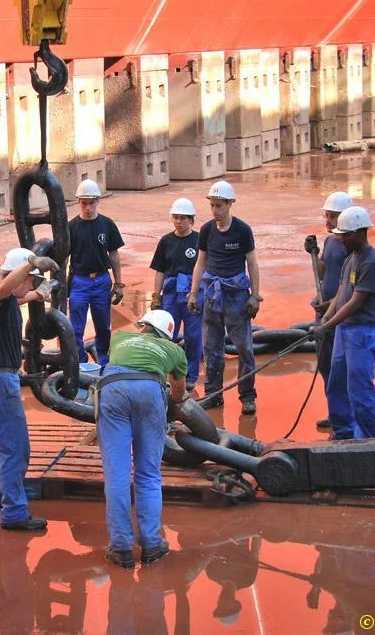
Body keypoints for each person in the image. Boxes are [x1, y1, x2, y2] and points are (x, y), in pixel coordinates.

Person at [0, 247, 59, 530]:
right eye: (30, 280)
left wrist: (43, 291)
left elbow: (21, 296)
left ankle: (0, 494)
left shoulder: (8, 301)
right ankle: (14, 512)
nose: (30, 286)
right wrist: (32, 263)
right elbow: (7, 287)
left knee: (2, 442)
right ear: (19, 275)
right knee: (16, 448)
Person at [96, 309, 188, 568]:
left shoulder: (119, 338)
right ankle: (151, 543)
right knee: (148, 473)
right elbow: (179, 393)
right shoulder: (174, 352)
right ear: (167, 336)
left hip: (113, 390)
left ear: (143, 326)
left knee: (117, 474)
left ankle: (121, 547)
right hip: (149, 392)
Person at [310, 206, 375, 440]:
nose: (340, 239)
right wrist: (324, 318)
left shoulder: (371, 263)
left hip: (360, 333)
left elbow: (355, 302)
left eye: (346, 235)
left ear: (361, 233)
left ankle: (364, 438)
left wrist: (327, 325)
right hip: (344, 331)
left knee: (359, 388)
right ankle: (342, 430)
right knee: (336, 383)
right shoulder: (351, 259)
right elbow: (342, 292)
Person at [187, 180, 262, 414]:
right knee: (211, 347)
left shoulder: (242, 230)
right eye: (212, 205)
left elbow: (252, 263)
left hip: (236, 296)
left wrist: (255, 296)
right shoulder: (207, 230)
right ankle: (213, 394)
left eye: (219, 205)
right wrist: (193, 293)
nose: (215, 210)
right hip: (212, 295)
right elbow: (200, 262)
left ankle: (247, 396)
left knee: (244, 348)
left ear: (230, 204)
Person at [305, 192, 354, 431]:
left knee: (340, 368)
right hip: (323, 312)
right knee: (325, 366)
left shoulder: (350, 246)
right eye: (326, 215)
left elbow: (350, 286)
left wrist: (332, 304)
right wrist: (313, 255)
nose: (327, 220)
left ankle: (346, 417)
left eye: (332, 216)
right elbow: (323, 272)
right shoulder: (331, 242)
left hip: (339, 314)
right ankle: (335, 414)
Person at [68, 179, 125, 368]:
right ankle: (80, 362)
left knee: (103, 326)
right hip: (80, 281)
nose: (88, 207)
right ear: (78, 201)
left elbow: (114, 254)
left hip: (101, 280)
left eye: (91, 203)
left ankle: (103, 360)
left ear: (98, 201)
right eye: (84, 203)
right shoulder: (71, 227)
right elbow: (62, 258)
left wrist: (118, 283)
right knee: (75, 327)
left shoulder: (107, 225)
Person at [150, 198, 202, 395]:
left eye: (182, 218)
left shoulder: (199, 241)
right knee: (166, 335)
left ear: (191, 220)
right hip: (171, 292)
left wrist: (197, 292)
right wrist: (157, 295)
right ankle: (167, 373)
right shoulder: (166, 241)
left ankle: (190, 376)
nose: (178, 222)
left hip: (191, 292)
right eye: (175, 218)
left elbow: (204, 267)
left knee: (193, 336)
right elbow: (160, 270)